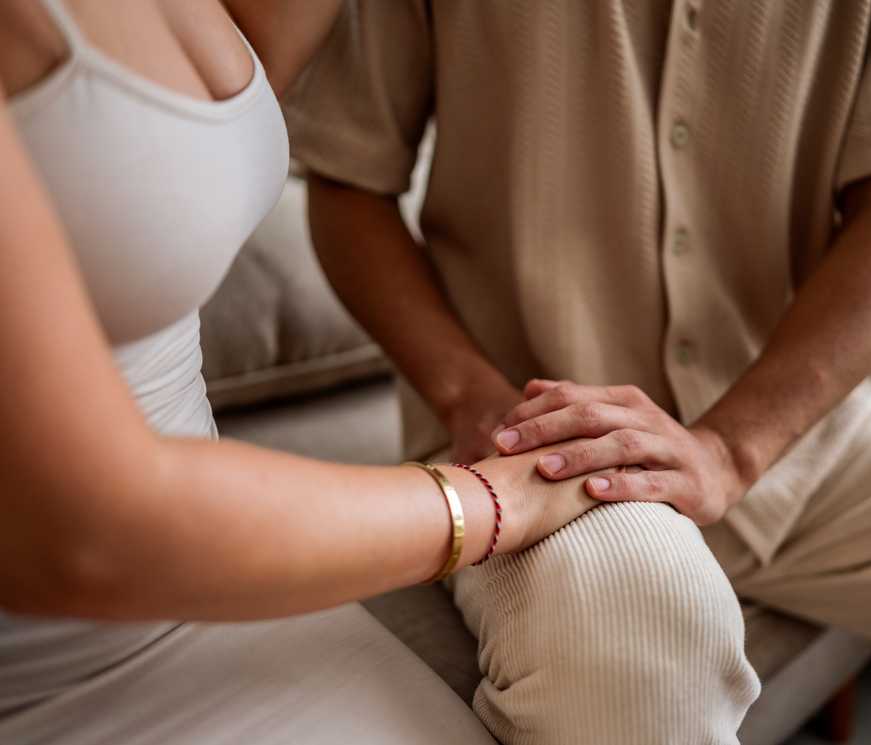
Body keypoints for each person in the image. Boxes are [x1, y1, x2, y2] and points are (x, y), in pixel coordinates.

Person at [286, 1, 871, 743]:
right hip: (541, 455)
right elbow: (349, 182)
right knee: (635, 639)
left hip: (804, 453)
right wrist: (471, 396)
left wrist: (730, 448)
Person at [0, 1, 656, 742]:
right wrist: (498, 499)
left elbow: (218, 101)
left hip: (223, 596)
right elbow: (90, 535)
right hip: (46, 661)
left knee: (640, 626)